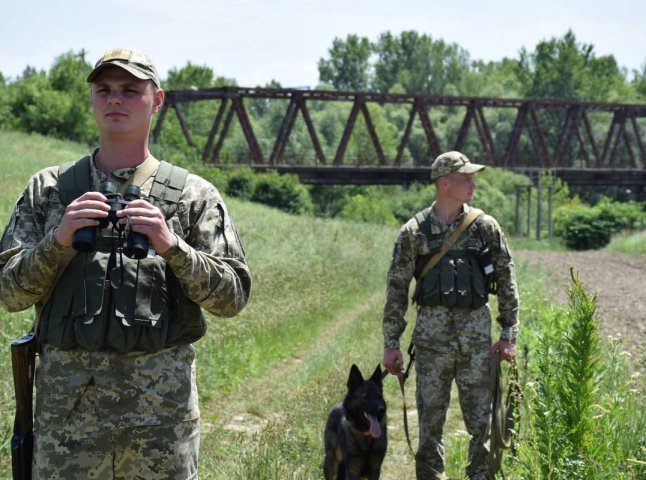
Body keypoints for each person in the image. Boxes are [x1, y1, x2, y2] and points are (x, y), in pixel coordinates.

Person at [0, 47, 251, 479]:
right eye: (105, 90)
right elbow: (8, 293)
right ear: (93, 100)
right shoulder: (49, 190)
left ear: (157, 100)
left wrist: (172, 246)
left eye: (130, 90)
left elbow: (232, 299)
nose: (115, 99)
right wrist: (57, 242)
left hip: (160, 425)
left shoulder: (194, 196)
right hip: (69, 426)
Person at [382, 151, 519, 480]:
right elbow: (397, 289)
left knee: (482, 426)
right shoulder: (414, 232)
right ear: (444, 182)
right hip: (431, 346)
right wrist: (391, 343)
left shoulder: (485, 227)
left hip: (476, 344)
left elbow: (506, 280)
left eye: (473, 177)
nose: (473, 183)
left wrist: (508, 335)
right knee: (430, 428)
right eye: (465, 177)